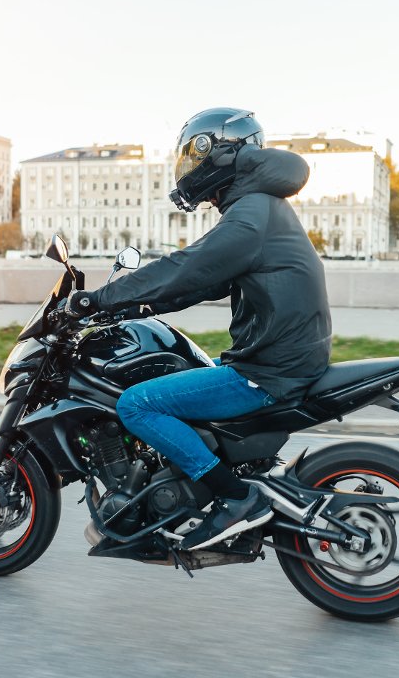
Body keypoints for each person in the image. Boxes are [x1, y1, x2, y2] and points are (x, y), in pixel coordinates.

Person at [65, 107, 332, 550]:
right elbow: (202, 283)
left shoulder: (251, 212)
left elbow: (188, 266)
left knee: (137, 405)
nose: (189, 169)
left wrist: (100, 299)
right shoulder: (262, 205)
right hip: (284, 358)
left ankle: (236, 497)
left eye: (193, 156)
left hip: (268, 370)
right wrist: (138, 306)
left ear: (216, 152)